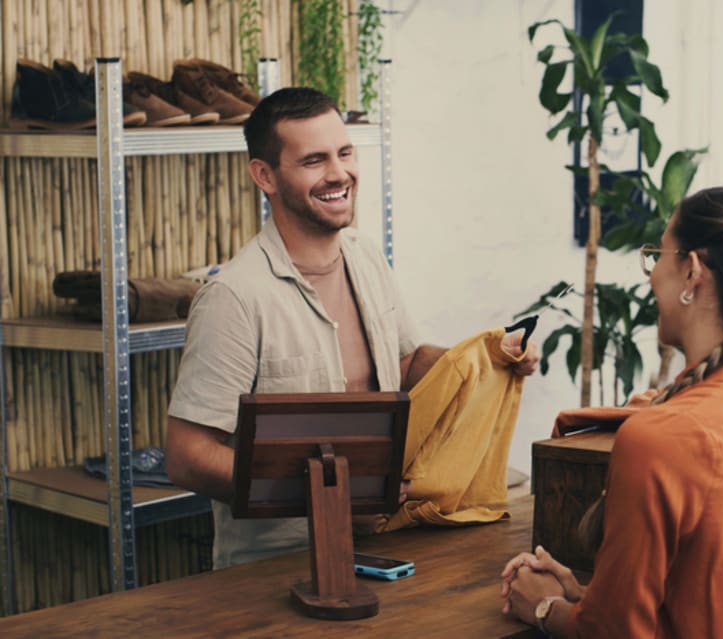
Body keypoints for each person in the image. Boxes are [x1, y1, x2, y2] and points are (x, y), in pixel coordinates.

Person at [165, 87, 538, 569]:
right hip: (275, 567)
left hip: (384, 544)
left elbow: (402, 365)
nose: (339, 173)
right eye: (314, 161)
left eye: (344, 153)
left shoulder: (364, 256)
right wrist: (332, 491)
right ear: (265, 176)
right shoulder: (236, 297)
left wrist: (482, 359)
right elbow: (188, 456)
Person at [500, 187, 723, 638]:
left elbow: (614, 633)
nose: (652, 273)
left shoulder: (663, 437)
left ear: (692, 271)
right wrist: (586, 597)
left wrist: (542, 607)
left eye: (658, 254)